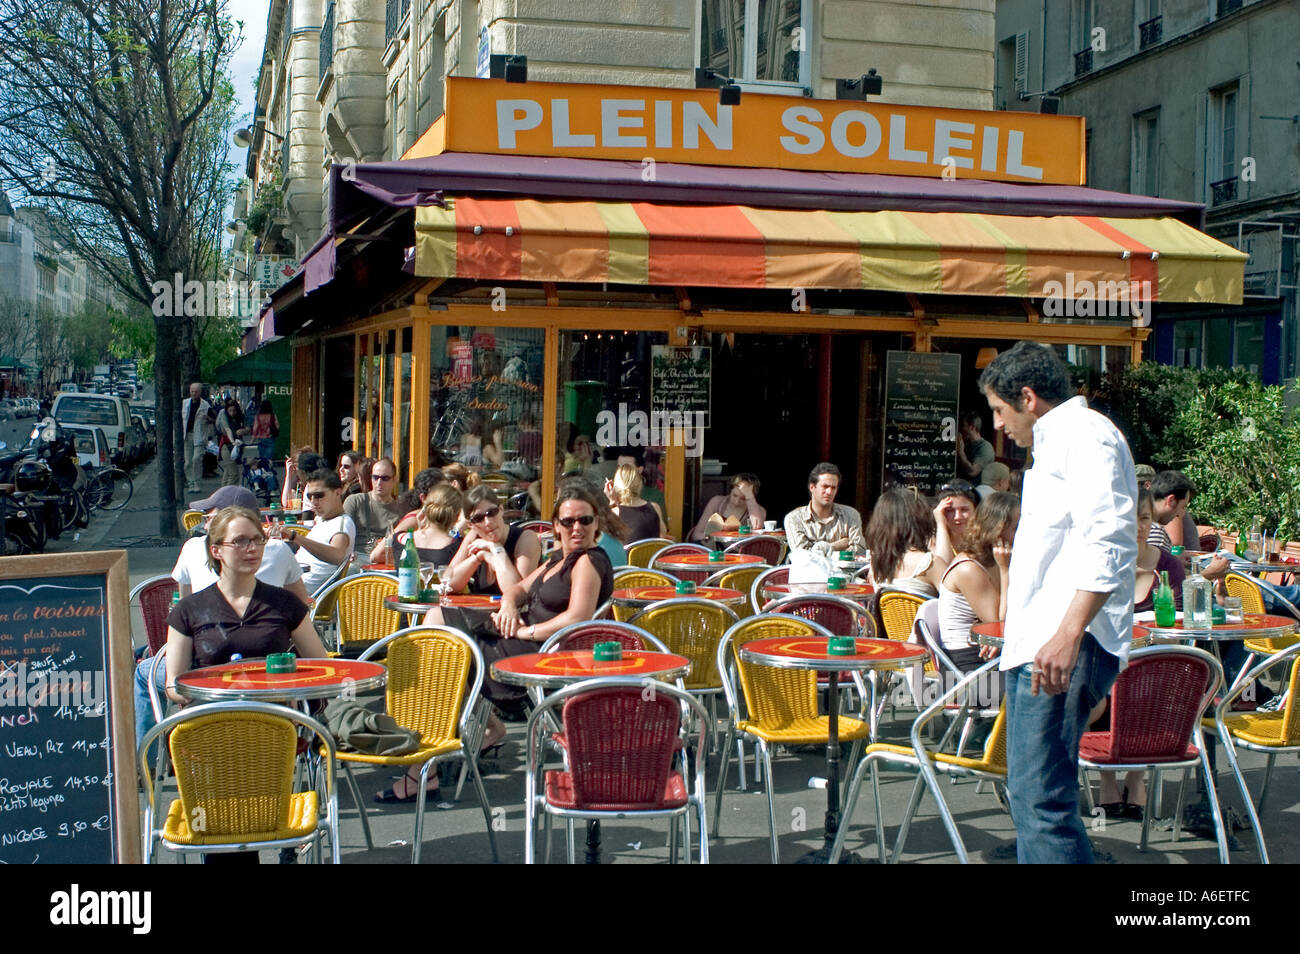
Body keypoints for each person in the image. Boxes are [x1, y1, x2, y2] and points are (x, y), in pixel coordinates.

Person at [980, 340, 1136, 864]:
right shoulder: (1063, 439)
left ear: (1026, 398)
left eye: (999, 411)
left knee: (1040, 799)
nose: (998, 425)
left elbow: (1109, 539)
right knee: (1036, 798)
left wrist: (1069, 633)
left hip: (1063, 638)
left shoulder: (1084, 435)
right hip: (1049, 637)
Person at [417, 482, 615, 796]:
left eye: (585, 520)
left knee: (448, 647)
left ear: (596, 523)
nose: (576, 527)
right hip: (524, 640)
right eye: (568, 521)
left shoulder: (588, 561)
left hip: (543, 652)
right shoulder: (558, 559)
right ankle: (440, 746)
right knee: (437, 627)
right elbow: (517, 589)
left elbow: (578, 617)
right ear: (556, 526)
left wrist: (526, 630)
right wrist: (509, 603)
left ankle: (427, 758)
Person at [136, 506, 329, 758]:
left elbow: (321, 665)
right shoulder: (189, 610)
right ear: (216, 551)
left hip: (274, 721)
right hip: (210, 721)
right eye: (240, 541)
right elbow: (173, 684)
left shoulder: (285, 603)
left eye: (258, 540)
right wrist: (209, 690)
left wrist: (291, 686)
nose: (252, 548)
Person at [174, 486, 309, 603]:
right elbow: (301, 603)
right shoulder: (278, 549)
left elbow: (184, 602)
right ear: (216, 552)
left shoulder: (192, 547)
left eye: (208, 518)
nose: (205, 526)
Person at [936, 492, 1017, 673]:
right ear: (997, 529)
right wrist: (1005, 571)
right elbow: (999, 628)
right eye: (1016, 528)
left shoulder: (995, 559)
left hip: (989, 656)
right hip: (966, 666)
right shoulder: (969, 568)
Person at [441, 486, 541, 595]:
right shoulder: (474, 537)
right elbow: (447, 583)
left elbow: (517, 593)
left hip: (513, 611)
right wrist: (477, 558)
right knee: (435, 612)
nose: (487, 522)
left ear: (501, 510)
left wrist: (497, 549)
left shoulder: (526, 538)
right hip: (480, 609)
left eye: (491, 512)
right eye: (478, 518)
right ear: (471, 525)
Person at [275, 471, 356, 593]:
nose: (313, 501)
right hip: (291, 583)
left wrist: (295, 536)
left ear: (338, 493)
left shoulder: (342, 523)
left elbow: (336, 555)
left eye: (319, 495)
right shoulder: (325, 520)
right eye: (309, 496)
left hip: (303, 593)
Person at [865, 487, 948, 599]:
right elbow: (955, 605)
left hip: (889, 617)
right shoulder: (929, 564)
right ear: (918, 520)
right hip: (922, 616)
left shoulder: (875, 563)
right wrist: (941, 524)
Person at [784, 462, 865, 556]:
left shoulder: (851, 514)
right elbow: (803, 556)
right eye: (825, 486)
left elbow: (860, 550)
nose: (829, 492)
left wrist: (820, 549)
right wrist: (837, 546)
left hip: (844, 570)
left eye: (833, 488)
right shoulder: (794, 518)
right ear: (812, 487)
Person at [381, 483, 464, 566]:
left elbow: (375, 555)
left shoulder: (399, 539)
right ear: (457, 516)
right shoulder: (456, 546)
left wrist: (420, 528)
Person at [343, 456, 405, 556]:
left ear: (395, 479)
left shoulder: (402, 508)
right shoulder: (355, 501)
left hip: (387, 559)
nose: (379, 483)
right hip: (356, 557)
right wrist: (347, 552)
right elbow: (343, 533)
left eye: (385, 478)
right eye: (375, 477)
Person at [690, 473, 766, 542]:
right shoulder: (717, 502)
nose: (736, 502)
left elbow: (757, 528)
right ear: (731, 490)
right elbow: (696, 534)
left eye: (743, 498)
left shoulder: (759, 511)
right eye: (734, 495)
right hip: (712, 551)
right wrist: (712, 538)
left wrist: (750, 497)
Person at [605, 464, 667, 542]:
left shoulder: (615, 513)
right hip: (652, 554)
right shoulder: (655, 507)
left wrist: (612, 502)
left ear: (616, 487)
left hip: (626, 554)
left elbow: (606, 539)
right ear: (640, 483)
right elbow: (663, 535)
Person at [931, 478, 980, 564]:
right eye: (950, 510)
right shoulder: (933, 541)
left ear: (976, 510)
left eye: (964, 510)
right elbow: (943, 565)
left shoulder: (983, 540)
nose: (957, 517)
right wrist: (941, 524)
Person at [1147, 470, 1195, 554]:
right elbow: (1156, 567)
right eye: (1183, 507)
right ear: (1171, 500)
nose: (1181, 514)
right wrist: (1214, 568)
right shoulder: (1157, 535)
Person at [181, 382, 210, 493]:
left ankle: (197, 482)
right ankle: (191, 483)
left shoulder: (205, 405)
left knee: (196, 459)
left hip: (199, 435)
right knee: (188, 461)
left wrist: (207, 417)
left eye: (196, 391)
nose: (193, 393)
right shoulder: (185, 403)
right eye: (192, 391)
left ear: (200, 392)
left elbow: (212, 419)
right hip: (187, 435)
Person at [214, 399, 249, 487]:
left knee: (227, 472)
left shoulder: (241, 416)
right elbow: (227, 429)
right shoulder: (224, 416)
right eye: (230, 410)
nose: (232, 413)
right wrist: (232, 441)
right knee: (234, 474)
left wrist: (243, 431)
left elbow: (248, 428)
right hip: (226, 446)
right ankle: (227, 493)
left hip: (237, 447)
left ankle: (222, 493)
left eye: (234, 410)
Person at [955, 411, 995, 483]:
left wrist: (960, 452)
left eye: (962, 425)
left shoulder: (985, 447)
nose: (959, 430)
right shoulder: (966, 445)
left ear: (972, 427)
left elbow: (972, 472)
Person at [250, 399, 279, 465]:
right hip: (270, 438)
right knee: (269, 459)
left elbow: (255, 428)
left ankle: (263, 471)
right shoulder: (272, 415)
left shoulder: (258, 416)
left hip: (261, 438)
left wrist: (252, 440)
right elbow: (277, 426)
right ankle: (269, 471)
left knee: (262, 458)